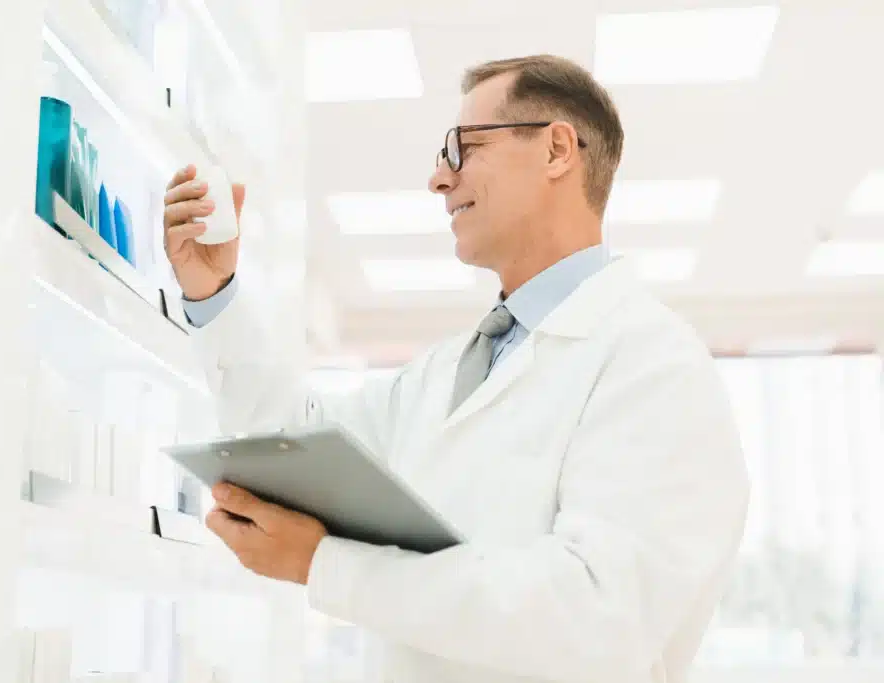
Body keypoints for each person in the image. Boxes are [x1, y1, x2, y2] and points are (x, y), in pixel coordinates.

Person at [161, 54, 749, 683]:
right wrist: (214, 293)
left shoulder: (655, 365)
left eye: (462, 147)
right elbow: (290, 444)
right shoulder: (447, 371)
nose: (439, 179)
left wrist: (328, 567)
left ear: (556, 150)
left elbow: (596, 614)